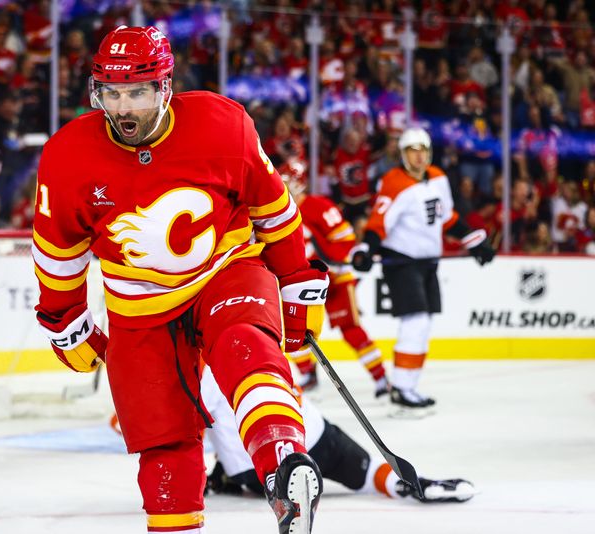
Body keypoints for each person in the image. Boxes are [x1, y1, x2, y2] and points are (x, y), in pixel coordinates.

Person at [32, 26, 328, 534]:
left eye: (138, 92)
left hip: (224, 269)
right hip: (138, 306)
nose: (123, 108)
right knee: (163, 440)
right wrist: (64, 318)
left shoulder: (223, 124)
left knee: (245, 344)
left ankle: (283, 465)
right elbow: (58, 250)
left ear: (165, 88)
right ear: (96, 91)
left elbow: (274, 211)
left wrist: (296, 279)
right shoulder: (68, 156)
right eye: (113, 93)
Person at [350, 127, 495, 413]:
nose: (419, 156)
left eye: (423, 150)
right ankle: (402, 388)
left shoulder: (439, 178)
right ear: (403, 155)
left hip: (429, 261)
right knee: (414, 322)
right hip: (402, 262)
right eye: (412, 150)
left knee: (424, 323)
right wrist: (366, 250)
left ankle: (409, 385)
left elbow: (448, 218)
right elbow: (378, 224)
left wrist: (474, 241)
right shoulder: (393, 183)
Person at [200, 366, 475, 503]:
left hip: (257, 469)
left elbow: (193, 427)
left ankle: (404, 484)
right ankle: (407, 485)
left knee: (221, 418)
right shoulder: (261, 329)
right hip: (316, 435)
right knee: (364, 471)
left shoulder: (202, 362)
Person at [278, 160, 389, 398]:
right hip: (302, 283)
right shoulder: (277, 212)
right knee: (292, 331)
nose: (284, 187)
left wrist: (333, 262)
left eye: (288, 182)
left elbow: (345, 240)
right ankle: (308, 374)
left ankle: (381, 378)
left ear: (299, 183)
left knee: (350, 328)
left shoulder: (317, 205)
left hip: (334, 277)